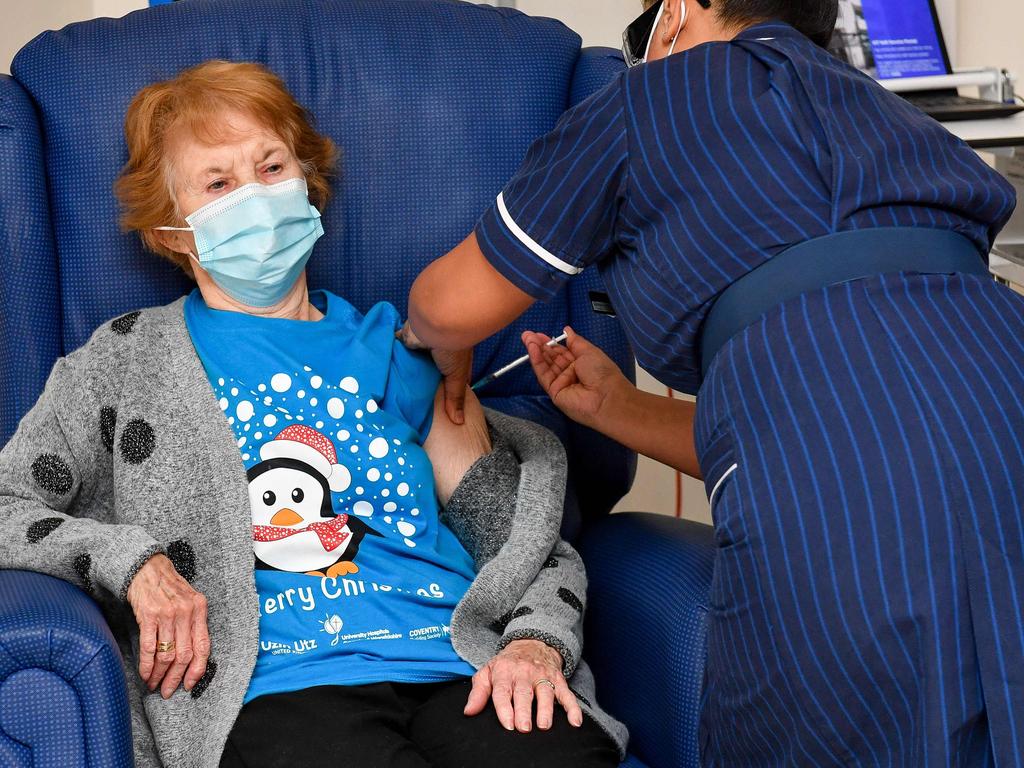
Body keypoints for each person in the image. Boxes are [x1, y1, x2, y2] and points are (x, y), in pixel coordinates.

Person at [402, 0, 1024, 765]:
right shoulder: (895, 117)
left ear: (679, 12)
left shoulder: (647, 100)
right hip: (1007, 389)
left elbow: (448, 303)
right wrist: (619, 409)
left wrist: (439, 342)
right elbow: (863, 403)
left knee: (828, 725)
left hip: (849, 493)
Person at [0, 61, 624, 767]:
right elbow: (5, 503)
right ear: (174, 231)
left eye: (271, 167)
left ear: (307, 183)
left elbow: (517, 540)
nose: (256, 198)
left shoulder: (400, 351)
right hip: (278, 688)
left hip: (462, 665)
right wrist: (133, 563)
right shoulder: (125, 362)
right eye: (218, 183)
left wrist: (534, 645)